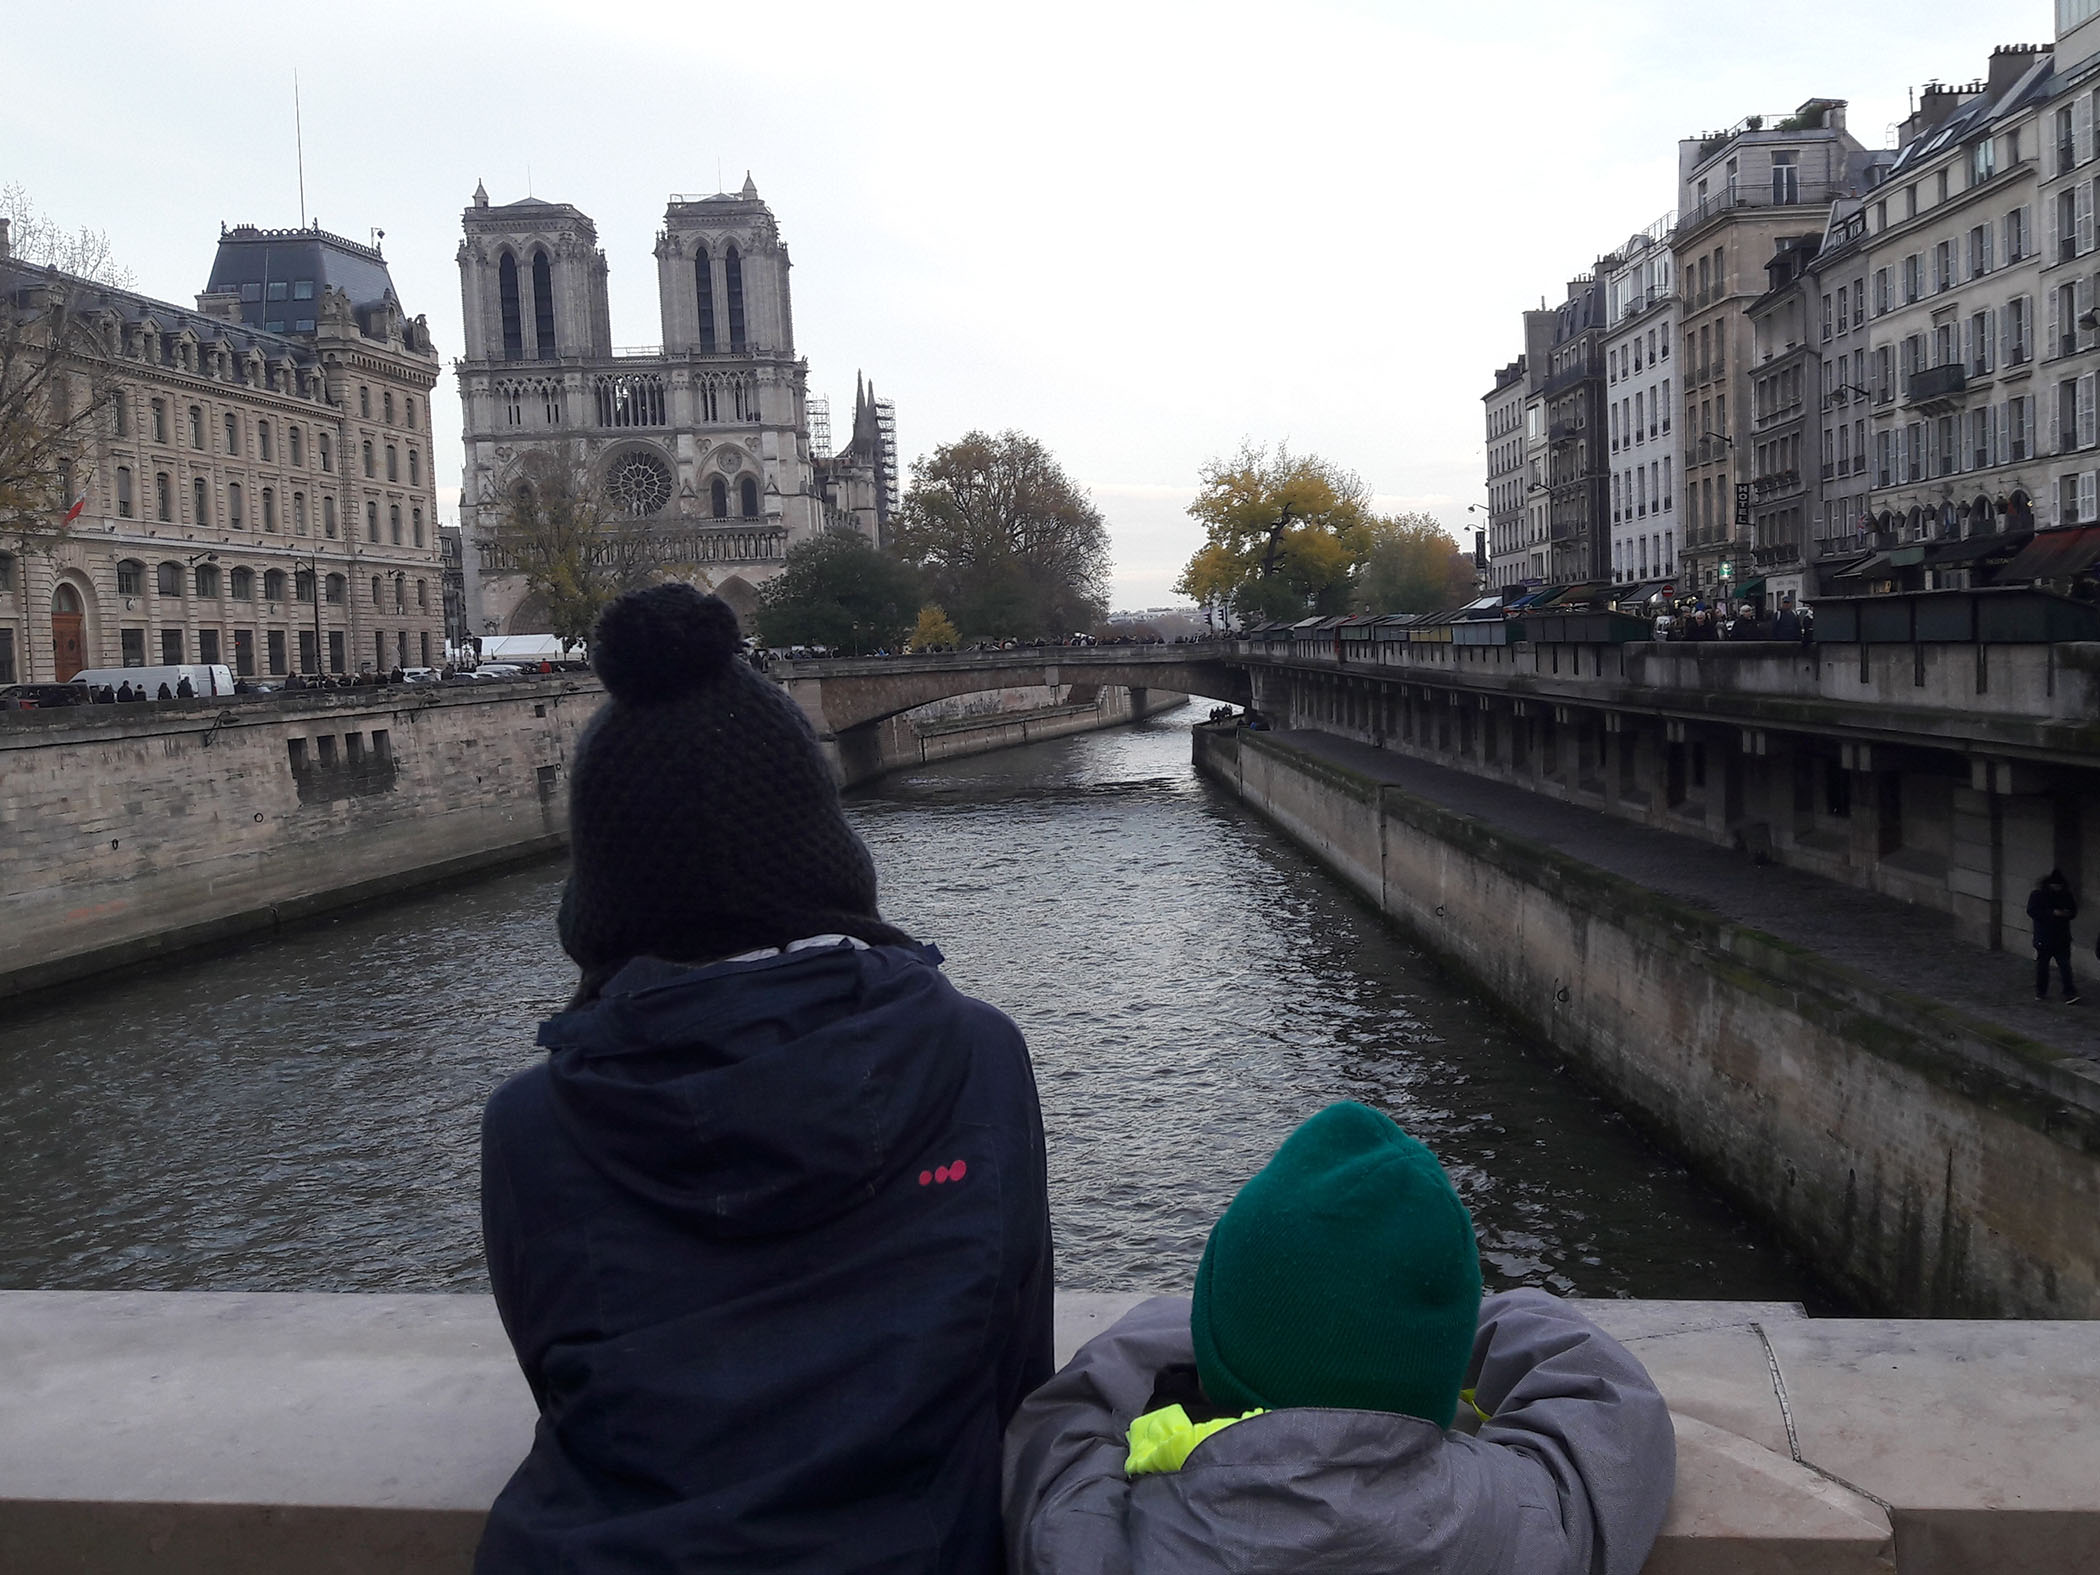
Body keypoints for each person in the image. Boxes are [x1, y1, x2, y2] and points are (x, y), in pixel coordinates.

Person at [476, 583, 1053, 1574]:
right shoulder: (973, 1055)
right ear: (823, 847)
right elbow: (1014, 1374)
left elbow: (561, 1380)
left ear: (605, 886)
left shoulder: (533, 1124)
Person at [1005, 1101, 1676, 1575]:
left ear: (1213, 1351)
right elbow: (1604, 1396)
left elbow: (1075, 1408)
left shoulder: (1097, 1539)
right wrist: (1421, 1317)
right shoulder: (1523, 1523)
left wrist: (1222, 1315)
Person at [2028, 869, 2080, 1003]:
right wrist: (2052, 913)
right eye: (2055, 885)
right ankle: (2041, 991)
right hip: (2044, 937)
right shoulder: (2038, 895)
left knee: (2065, 967)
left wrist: (2066, 913)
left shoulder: (2066, 895)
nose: (2057, 888)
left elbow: (2073, 911)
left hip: (2061, 938)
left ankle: (2069, 992)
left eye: (2059, 886)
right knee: (2042, 967)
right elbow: (2032, 911)